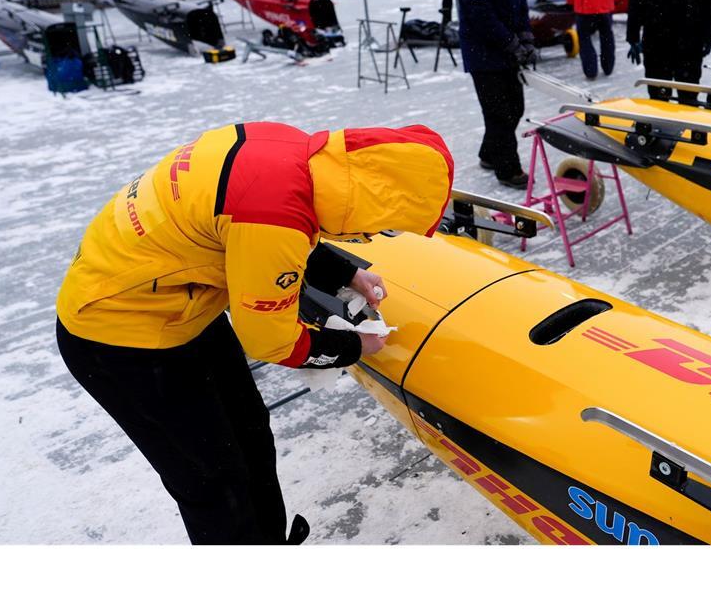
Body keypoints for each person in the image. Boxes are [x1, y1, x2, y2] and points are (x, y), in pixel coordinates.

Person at [55, 122, 455, 544]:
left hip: (179, 306)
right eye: (379, 226)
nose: (372, 234)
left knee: (249, 434)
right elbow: (271, 340)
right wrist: (354, 346)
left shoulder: (293, 153)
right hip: (118, 337)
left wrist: (347, 273)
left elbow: (268, 222)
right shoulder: (273, 217)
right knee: (213, 477)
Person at [456, 0, 535, 189]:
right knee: (500, 112)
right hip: (484, 56)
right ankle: (508, 169)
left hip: (507, 50)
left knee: (514, 108)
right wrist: (511, 43)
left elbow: (520, 1)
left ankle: (489, 153)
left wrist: (526, 36)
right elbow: (482, 17)